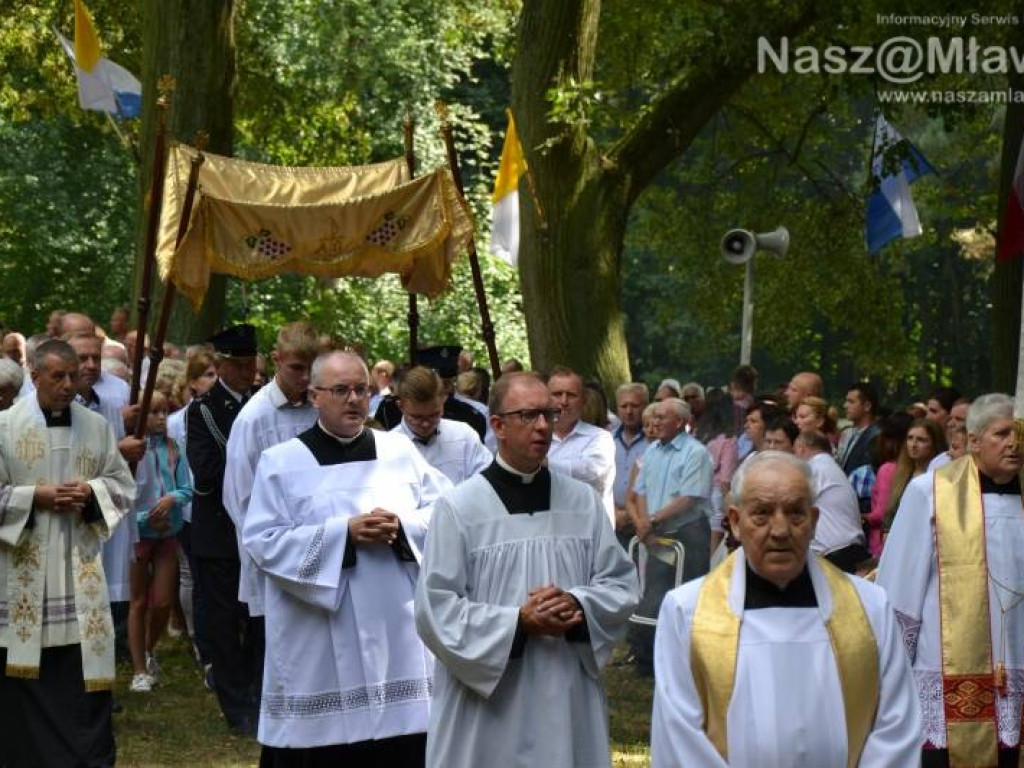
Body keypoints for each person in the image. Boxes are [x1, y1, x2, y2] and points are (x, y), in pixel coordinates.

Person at [414, 371, 638, 768]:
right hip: (489, 703)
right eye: (528, 415)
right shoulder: (460, 507)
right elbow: (435, 609)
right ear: (498, 425)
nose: (543, 427)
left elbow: (619, 583)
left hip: (565, 690)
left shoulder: (582, 501)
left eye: (548, 415)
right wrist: (518, 622)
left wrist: (577, 604)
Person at [243, 350, 450, 765]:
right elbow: (263, 541)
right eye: (340, 390)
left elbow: (447, 514)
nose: (354, 399)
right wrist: (343, 535)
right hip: (318, 632)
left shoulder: (400, 451)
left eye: (361, 389)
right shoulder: (281, 462)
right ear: (315, 396)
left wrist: (403, 527)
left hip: (396, 629)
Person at [651, 451, 921, 768]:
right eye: (762, 514)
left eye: (795, 513)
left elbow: (895, 726)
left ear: (814, 521)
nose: (780, 530)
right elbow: (680, 736)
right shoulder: (687, 612)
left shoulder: (870, 608)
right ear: (735, 522)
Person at [0, 339, 135, 767]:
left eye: (72, 376)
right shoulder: (5, 427)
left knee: (78, 676)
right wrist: (33, 497)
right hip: (22, 572)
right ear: (35, 376)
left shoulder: (96, 426)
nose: (67, 385)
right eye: (57, 376)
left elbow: (122, 485)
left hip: (80, 572)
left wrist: (92, 493)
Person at [877, 394, 1024, 767]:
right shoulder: (931, 491)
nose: (1014, 443)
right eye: (1002, 433)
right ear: (973, 440)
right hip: (945, 671)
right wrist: (893, 675)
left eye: (1019, 433)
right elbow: (899, 589)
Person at [222, 321, 320, 714]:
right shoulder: (254, 418)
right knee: (274, 642)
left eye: (311, 368)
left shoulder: (319, 408)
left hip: (321, 542)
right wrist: (276, 547)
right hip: (274, 552)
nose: (305, 378)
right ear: (276, 360)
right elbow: (239, 497)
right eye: (297, 368)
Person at [187, 324, 260, 736]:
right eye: (240, 365)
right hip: (219, 530)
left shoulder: (260, 403)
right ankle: (235, 705)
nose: (249, 372)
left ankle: (255, 690)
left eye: (252, 363)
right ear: (221, 364)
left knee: (257, 617)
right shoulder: (204, 410)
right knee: (224, 620)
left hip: (255, 528)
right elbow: (207, 472)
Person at [631, 398, 714, 674]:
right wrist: (644, 523)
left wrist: (652, 520)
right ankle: (645, 657)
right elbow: (641, 490)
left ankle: (685, 661)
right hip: (658, 532)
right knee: (655, 591)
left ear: (679, 422)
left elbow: (689, 498)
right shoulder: (652, 450)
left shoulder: (696, 453)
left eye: (661, 417)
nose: (654, 422)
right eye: (654, 416)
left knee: (686, 596)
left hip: (689, 534)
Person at [128, 391, 192, 693]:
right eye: (153, 412)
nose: (161, 418)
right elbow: (123, 496)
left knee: (164, 601)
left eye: (164, 411)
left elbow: (186, 488)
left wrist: (172, 498)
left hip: (167, 533)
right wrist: (145, 518)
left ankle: (148, 649)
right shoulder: (131, 450)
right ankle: (139, 669)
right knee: (138, 601)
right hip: (138, 536)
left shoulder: (174, 448)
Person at [392, 365, 491, 485]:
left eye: (434, 415)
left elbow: (487, 480)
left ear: (443, 400)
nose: (425, 424)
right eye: (417, 417)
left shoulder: (464, 436)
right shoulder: (388, 447)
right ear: (400, 406)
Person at [546, 366, 616, 525]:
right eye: (557, 394)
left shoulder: (600, 437)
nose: (564, 402)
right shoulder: (537, 438)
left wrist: (545, 464)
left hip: (592, 531)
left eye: (571, 395)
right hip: (550, 530)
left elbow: (592, 472)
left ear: (583, 400)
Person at [794, 431, 870, 573]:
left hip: (833, 555)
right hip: (847, 549)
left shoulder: (813, 468)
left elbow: (792, 502)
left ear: (800, 448)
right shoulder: (831, 468)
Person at [882, 417, 946, 534]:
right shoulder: (902, 474)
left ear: (934, 444)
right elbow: (892, 510)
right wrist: (886, 530)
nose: (913, 444)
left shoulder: (939, 478)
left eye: (921, 440)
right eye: (910, 438)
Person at [862, 413, 912, 558]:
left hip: (880, 545)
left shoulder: (887, 469)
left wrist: (861, 517)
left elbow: (881, 513)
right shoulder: (912, 469)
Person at [612, 383, 649, 547]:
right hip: (610, 520)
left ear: (645, 407)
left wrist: (631, 514)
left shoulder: (654, 443)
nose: (629, 411)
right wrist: (613, 511)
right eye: (624, 406)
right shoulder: (606, 440)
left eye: (634, 406)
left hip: (643, 525)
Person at [838, 382, 881, 474]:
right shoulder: (848, 433)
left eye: (851, 402)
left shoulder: (876, 437)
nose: (845, 405)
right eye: (846, 401)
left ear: (867, 406)